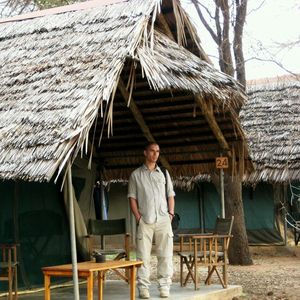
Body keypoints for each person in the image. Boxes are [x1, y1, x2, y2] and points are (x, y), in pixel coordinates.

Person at [128, 142, 175, 299]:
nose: (155, 154)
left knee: (166, 254)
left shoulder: (164, 173)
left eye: (158, 151)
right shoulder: (135, 175)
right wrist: (138, 217)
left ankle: (164, 286)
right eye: (152, 151)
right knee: (142, 255)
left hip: (163, 219)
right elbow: (132, 198)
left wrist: (170, 214)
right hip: (145, 220)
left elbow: (170, 195)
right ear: (145, 152)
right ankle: (143, 288)